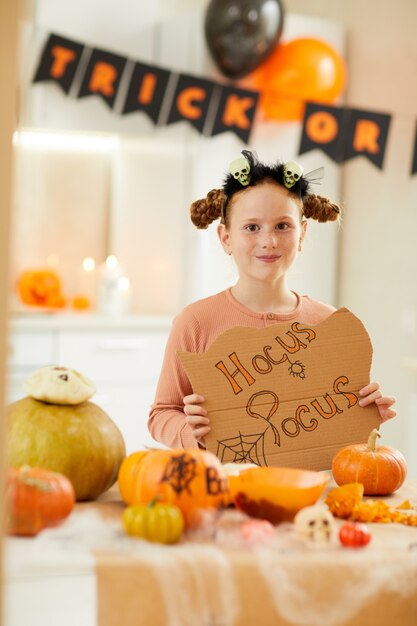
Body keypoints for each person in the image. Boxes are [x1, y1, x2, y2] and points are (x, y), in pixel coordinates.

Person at [148, 151, 396, 449]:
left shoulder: (329, 324)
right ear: (226, 238)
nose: (269, 241)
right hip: (221, 489)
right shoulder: (195, 323)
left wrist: (360, 416)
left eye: (283, 226)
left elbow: (329, 425)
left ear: (302, 233)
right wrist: (190, 432)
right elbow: (162, 413)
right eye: (252, 227)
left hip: (306, 491)